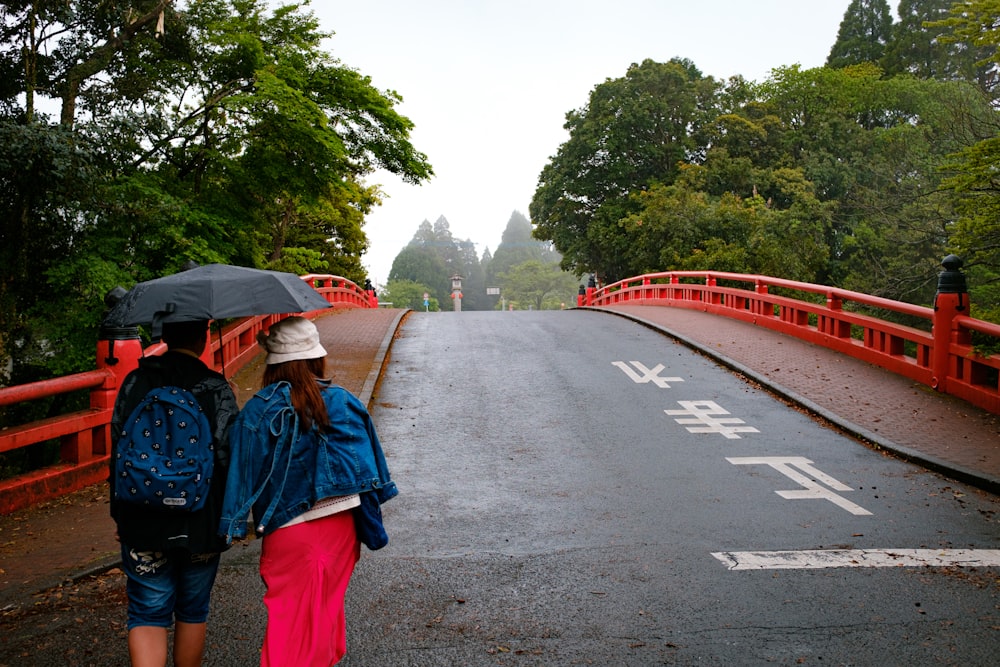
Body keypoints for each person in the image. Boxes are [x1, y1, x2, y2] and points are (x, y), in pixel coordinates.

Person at [219, 316, 397, 667]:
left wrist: (231, 524)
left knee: (289, 629)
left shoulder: (259, 410)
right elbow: (373, 469)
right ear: (317, 358)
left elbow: (239, 472)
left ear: (273, 363)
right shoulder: (345, 402)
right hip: (342, 528)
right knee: (323, 619)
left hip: (289, 531)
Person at [110, 319, 238, 667]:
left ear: (163, 337)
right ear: (204, 338)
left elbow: (118, 449)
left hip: (141, 514)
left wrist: (118, 512)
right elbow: (228, 458)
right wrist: (228, 518)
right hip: (201, 520)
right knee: (192, 609)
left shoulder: (135, 382)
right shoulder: (215, 387)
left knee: (147, 612)